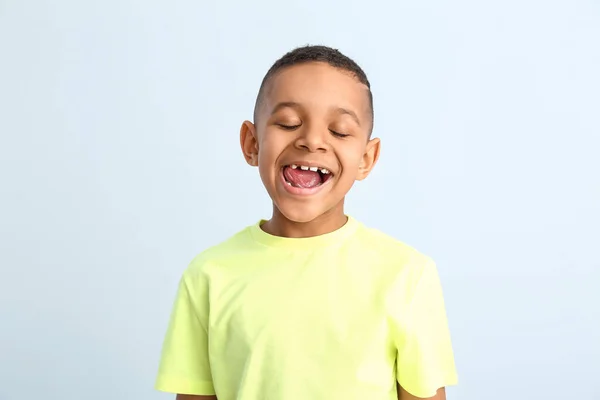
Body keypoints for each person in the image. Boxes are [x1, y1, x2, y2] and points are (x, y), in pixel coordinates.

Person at [155, 45, 458, 400]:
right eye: (288, 123)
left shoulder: (407, 275)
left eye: (340, 131)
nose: (312, 140)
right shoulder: (208, 275)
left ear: (366, 158)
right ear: (251, 143)